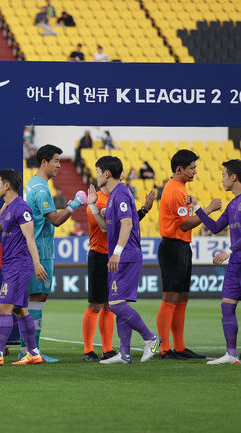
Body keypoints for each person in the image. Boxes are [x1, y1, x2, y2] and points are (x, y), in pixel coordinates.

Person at [86, 156, 160, 364]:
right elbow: (105, 227)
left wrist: (117, 252)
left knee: (116, 305)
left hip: (126, 257)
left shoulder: (121, 194)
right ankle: (125, 354)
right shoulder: (114, 196)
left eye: (98, 171)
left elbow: (126, 224)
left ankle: (151, 338)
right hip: (120, 256)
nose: (97, 175)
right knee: (118, 305)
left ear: (107, 173)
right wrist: (92, 207)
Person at [22, 144, 87, 362]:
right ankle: (32, 351)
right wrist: (75, 203)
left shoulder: (32, 185)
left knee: (34, 300)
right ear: (44, 162)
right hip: (40, 251)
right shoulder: (41, 190)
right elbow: (56, 220)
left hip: (37, 249)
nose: (59, 165)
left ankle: (28, 349)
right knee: (37, 299)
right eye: (56, 160)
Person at [0, 169, 45, 365]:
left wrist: (37, 263)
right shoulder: (8, 208)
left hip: (19, 265)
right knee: (19, 309)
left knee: (4, 306)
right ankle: (33, 353)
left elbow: (30, 237)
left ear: (7, 186)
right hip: (11, 266)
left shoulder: (22, 208)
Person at [156, 150, 220, 360]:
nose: (195, 172)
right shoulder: (175, 190)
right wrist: (208, 209)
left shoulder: (181, 189)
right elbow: (183, 225)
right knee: (171, 297)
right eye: (192, 168)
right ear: (179, 169)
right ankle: (165, 349)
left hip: (182, 246)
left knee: (182, 297)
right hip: (173, 246)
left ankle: (180, 346)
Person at [186, 159, 241, 364]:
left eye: (224, 175)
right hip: (236, 264)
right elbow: (216, 227)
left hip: (235, 258)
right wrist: (198, 207)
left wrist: (228, 250)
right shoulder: (233, 204)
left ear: (233, 177)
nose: (221, 179)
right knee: (227, 307)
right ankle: (231, 354)